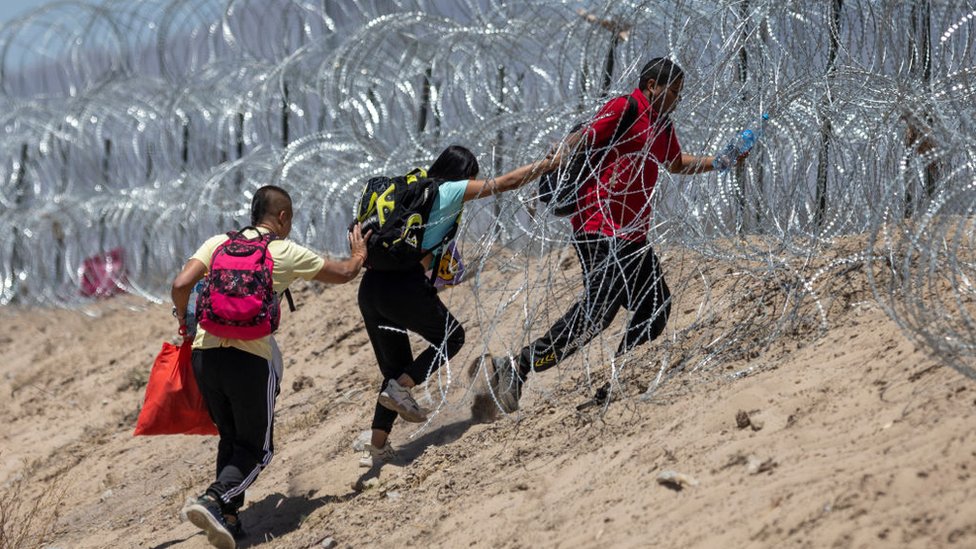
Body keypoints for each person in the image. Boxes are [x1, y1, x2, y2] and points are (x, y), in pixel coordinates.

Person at [487, 57, 748, 412]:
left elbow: (675, 164)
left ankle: (620, 375)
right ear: (652, 85)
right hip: (599, 227)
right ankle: (518, 366)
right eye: (673, 91)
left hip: (633, 235)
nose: (677, 99)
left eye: (680, 93)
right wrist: (561, 151)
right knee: (599, 310)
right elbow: (586, 135)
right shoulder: (625, 107)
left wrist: (720, 161)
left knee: (655, 306)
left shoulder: (663, 126)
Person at [171, 185, 368, 549]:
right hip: (250, 359)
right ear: (282, 217)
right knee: (258, 449)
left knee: (232, 438)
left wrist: (185, 325)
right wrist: (358, 253)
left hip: (206, 356)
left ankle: (228, 517)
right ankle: (213, 500)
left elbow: (181, 283)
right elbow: (344, 273)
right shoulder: (283, 251)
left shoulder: (217, 244)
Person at [357, 145, 561, 467]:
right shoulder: (448, 190)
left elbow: (425, 260)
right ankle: (402, 388)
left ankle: (377, 448)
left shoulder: (413, 193)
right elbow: (506, 183)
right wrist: (550, 164)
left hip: (370, 289)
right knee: (453, 337)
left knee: (396, 371)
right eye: (472, 179)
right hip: (400, 286)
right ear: (465, 175)